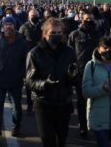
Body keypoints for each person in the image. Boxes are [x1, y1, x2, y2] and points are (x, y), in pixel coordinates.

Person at [26, 18, 78, 147]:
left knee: (62, 139)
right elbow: (29, 80)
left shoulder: (69, 51)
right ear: (45, 33)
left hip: (63, 102)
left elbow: (74, 77)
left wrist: (73, 76)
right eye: (53, 33)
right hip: (44, 103)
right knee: (48, 140)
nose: (56, 35)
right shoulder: (34, 53)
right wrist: (44, 83)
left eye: (59, 32)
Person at [0, 16, 29, 144]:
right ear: (3, 26)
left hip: (15, 81)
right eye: (6, 24)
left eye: (11, 24)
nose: (8, 26)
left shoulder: (22, 42)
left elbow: (26, 61)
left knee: (17, 106)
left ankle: (16, 126)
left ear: (14, 26)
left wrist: (21, 74)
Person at [68, 12, 102, 137]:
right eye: (87, 19)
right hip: (80, 73)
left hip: (96, 71)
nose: (90, 21)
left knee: (96, 99)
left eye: (92, 19)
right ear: (82, 20)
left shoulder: (99, 34)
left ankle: (94, 122)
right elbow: (69, 53)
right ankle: (83, 126)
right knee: (81, 101)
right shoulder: (74, 35)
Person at [19, 9, 42, 114]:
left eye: (36, 15)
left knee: (40, 81)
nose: (34, 16)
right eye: (32, 15)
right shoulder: (24, 27)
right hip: (28, 58)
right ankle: (29, 104)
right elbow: (19, 41)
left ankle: (39, 103)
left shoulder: (42, 26)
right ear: (29, 16)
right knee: (29, 82)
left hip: (41, 57)